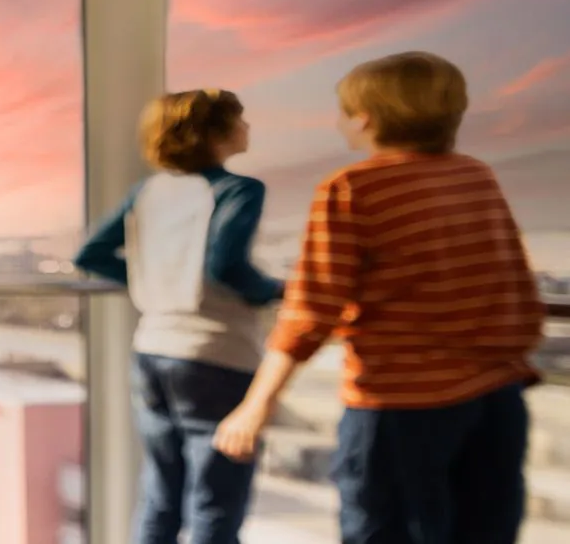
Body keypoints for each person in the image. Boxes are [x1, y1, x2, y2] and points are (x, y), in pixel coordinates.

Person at [212, 51, 544, 544]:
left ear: (364, 119)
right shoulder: (476, 176)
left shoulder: (352, 189)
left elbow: (311, 310)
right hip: (496, 399)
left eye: (343, 111)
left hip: (402, 407)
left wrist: (255, 404)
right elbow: (513, 284)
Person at [73, 88, 281, 544]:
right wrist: (275, 291)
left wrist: (153, 278)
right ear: (215, 133)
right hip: (216, 355)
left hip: (152, 353)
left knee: (161, 495)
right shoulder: (238, 190)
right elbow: (225, 264)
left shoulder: (149, 192)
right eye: (239, 119)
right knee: (215, 503)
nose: (247, 127)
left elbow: (90, 253)